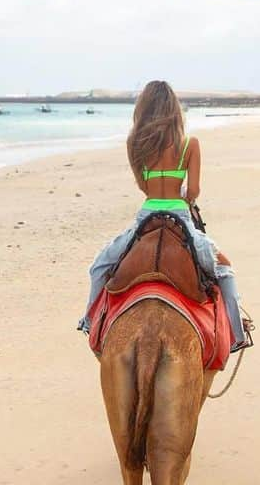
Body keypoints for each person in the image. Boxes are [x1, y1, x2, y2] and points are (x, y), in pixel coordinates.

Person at [77, 81, 249, 352]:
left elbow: (144, 187)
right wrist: (182, 195)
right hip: (179, 214)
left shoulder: (135, 144)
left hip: (146, 216)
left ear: (143, 108)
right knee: (224, 270)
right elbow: (193, 191)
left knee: (99, 266)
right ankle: (238, 335)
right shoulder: (189, 144)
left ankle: (89, 320)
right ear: (174, 108)